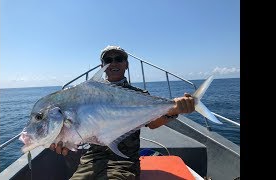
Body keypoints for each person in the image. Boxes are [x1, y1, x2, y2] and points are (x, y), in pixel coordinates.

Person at [49, 45, 195, 180]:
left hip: (124, 160)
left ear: (126, 64)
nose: (113, 63)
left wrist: (175, 109)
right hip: (92, 159)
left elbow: (152, 124)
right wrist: (65, 138)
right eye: (108, 60)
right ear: (102, 66)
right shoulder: (87, 96)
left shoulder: (140, 95)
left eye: (119, 59)